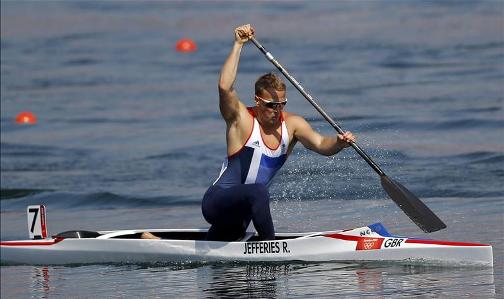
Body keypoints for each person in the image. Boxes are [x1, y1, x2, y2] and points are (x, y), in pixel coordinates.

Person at [201, 24, 356, 242]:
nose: (277, 110)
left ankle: (155, 242)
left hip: (242, 215)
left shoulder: (293, 125)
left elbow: (321, 144)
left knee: (220, 251)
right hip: (217, 203)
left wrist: (339, 143)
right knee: (258, 193)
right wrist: (238, 45)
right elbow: (225, 87)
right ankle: (271, 248)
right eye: (271, 104)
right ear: (257, 100)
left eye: (281, 104)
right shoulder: (242, 120)